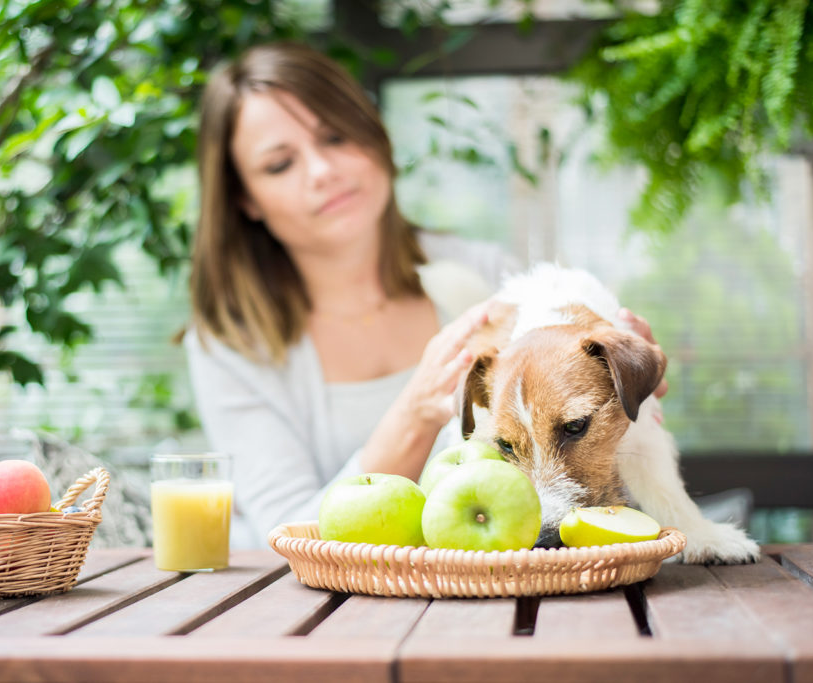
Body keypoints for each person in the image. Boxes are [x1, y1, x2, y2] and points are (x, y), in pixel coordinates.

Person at [183, 41, 665, 549]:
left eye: (335, 136)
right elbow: (283, 536)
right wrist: (414, 416)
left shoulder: (484, 277)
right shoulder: (232, 343)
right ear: (245, 199)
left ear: (374, 136)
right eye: (280, 164)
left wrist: (627, 400)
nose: (322, 171)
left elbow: (579, 475)